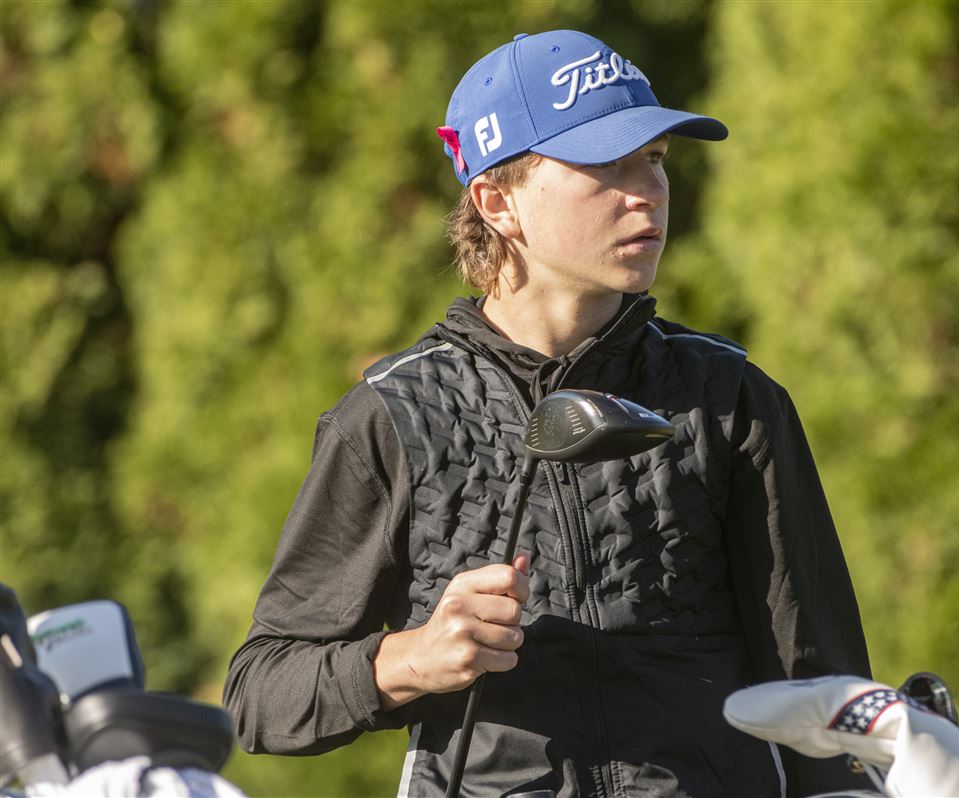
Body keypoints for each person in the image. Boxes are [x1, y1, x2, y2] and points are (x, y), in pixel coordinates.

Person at [224, 29, 873, 797]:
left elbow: (822, 691)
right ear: (498, 202)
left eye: (656, 160)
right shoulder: (390, 414)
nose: (649, 191)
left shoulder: (729, 396)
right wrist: (412, 657)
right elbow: (258, 696)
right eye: (607, 164)